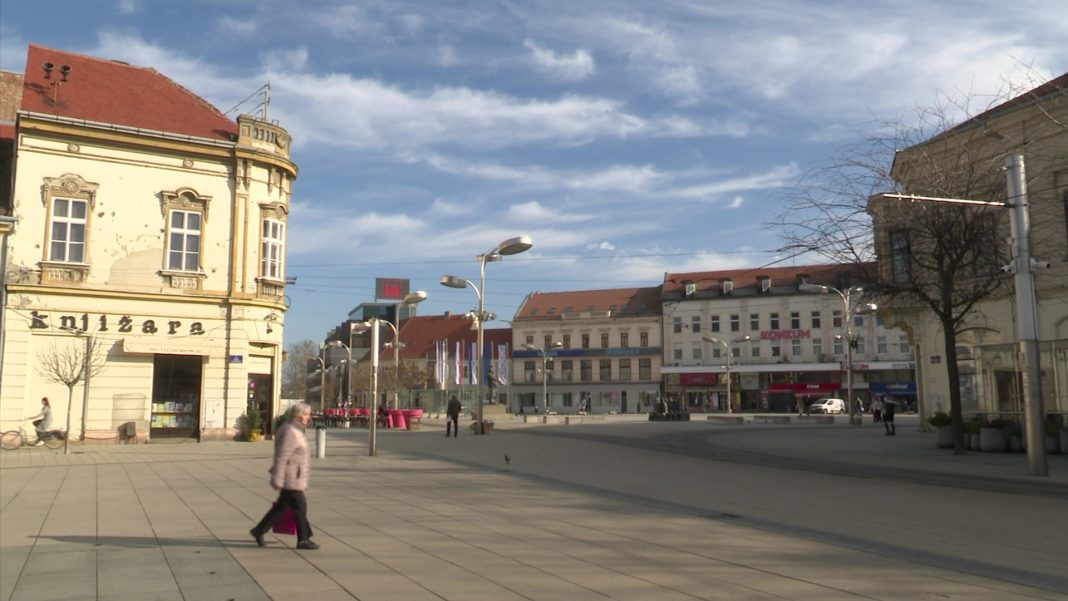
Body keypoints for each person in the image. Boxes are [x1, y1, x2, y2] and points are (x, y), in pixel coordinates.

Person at [250, 403, 319, 550]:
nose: (308, 417)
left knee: (283, 507)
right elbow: (281, 456)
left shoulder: (295, 429)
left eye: (308, 414)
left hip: (295, 475)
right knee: (300, 506)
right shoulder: (290, 431)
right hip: (290, 476)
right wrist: (277, 477)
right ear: (297, 415)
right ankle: (303, 540)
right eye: (305, 414)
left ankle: (259, 530)